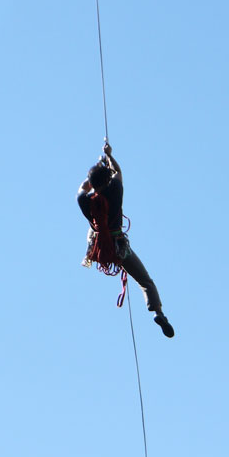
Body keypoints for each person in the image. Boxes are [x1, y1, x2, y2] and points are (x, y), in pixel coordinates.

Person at [77, 142, 174, 338]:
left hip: (97, 248)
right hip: (118, 247)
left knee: (93, 228)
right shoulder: (116, 191)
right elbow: (118, 172)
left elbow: (83, 187)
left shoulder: (85, 201)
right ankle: (158, 312)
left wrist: (93, 177)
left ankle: (90, 249)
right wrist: (109, 157)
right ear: (107, 180)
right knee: (145, 281)